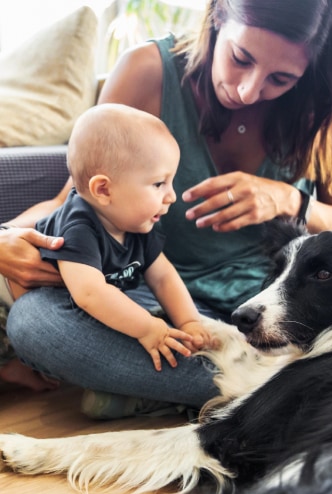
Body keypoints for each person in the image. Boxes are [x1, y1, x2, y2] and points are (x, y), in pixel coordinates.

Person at [0, 0, 332, 418]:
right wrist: (3, 238)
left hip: (291, 303)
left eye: (281, 78)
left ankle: (203, 392)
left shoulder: (327, 105)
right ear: (218, 15)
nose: (249, 90)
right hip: (165, 304)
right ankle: (312, 388)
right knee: (36, 323)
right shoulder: (148, 71)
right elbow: (75, 199)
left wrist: (288, 199)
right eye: (240, 58)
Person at [0, 103, 217, 391]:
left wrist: (189, 321)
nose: (171, 196)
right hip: (8, 299)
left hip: (65, 299)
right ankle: (10, 367)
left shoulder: (138, 222)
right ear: (104, 190)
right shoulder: (79, 225)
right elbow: (90, 293)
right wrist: (147, 328)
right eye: (158, 184)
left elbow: (163, 276)